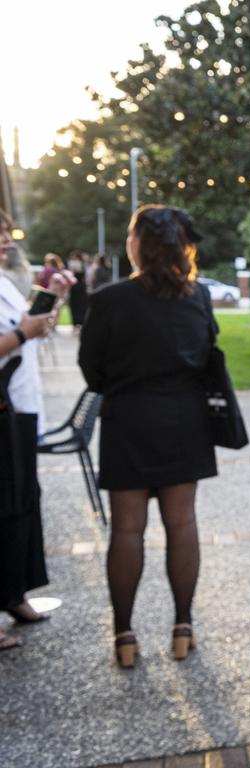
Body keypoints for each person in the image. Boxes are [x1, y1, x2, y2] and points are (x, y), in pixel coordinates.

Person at [79, 205, 217, 669]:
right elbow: (206, 357)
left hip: (128, 422)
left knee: (127, 530)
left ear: (138, 243)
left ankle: (124, 635)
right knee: (182, 525)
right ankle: (182, 626)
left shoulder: (110, 298)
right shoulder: (196, 297)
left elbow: (91, 371)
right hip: (183, 420)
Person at [0, 210, 66, 651]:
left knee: (22, 504)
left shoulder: (5, 283)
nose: (6, 239)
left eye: (6, 231)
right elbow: (15, 336)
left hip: (19, 409)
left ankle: (15, 595)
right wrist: (24, 334)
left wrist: (49, 308)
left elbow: (26, 328)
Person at [66, 249, 89, 330]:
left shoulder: (73, 264)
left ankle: (77, 322)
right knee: (79, 305)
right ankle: (79, 321)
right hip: (80, 287)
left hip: (76, 287)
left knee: (76, 305)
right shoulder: (83, 264)